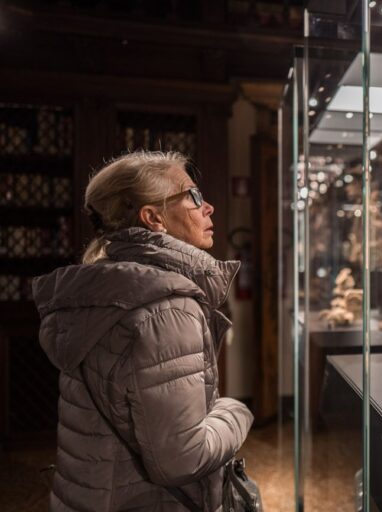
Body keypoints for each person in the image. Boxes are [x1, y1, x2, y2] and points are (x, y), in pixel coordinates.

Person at [32, 151, 254, 511]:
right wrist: (236, 410)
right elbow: (183, 459)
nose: (208, 206)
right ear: (154, 218)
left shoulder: (104, 286)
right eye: (193, 196)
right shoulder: (166, 307)